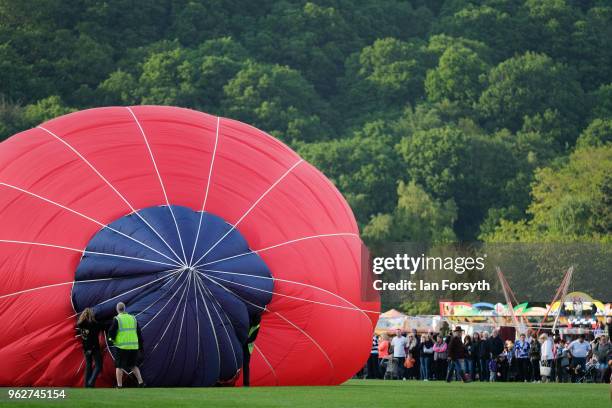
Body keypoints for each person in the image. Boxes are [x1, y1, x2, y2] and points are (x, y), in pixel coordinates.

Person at [108, 302, 145, 388]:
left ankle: (119, 385)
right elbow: (139, 333)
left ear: (117, 310)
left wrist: (110, 340)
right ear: (125, 309)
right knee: (133, 365)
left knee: (119, 366)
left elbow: (111, 332)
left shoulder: (117, 319)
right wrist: (140, 345)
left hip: (122, 346)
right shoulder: (133, 318)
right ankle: (141, 382)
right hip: (133, 346)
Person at [76, 308, 103, 387]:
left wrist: (87, 348)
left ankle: (86, 384)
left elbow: (83, 337)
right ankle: (91, 382)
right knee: (99, 365)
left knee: (88, 366)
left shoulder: (80, 324)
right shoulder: (94, 324)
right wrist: (91, 348)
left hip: (85, 348)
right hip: (94, 348)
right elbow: (93, 337)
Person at [243, 314, 261, 386]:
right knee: (244, 365)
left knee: (245, 365)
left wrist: (242, 340)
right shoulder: (248, 323)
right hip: (244, 345)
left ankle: (246, 384)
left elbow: (252, 339)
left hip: (247, 347)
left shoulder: (256, 326)